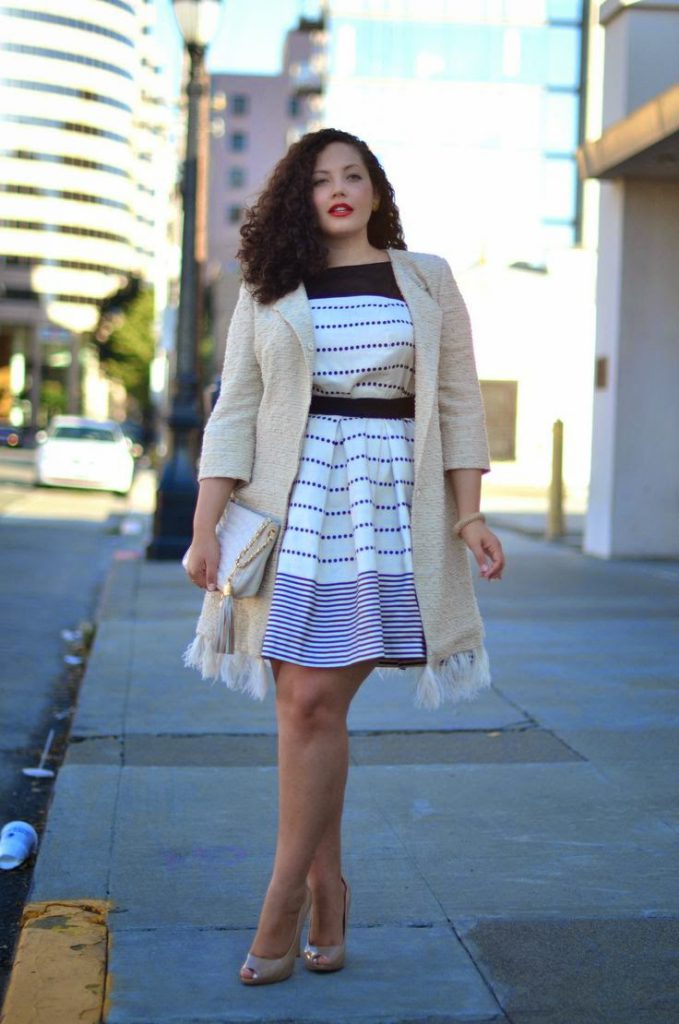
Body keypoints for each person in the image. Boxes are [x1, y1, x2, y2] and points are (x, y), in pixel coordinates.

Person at [184, 127, 505, 986]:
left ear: (374, 191)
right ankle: (328, 890)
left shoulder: (425, 278)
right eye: (320, 178)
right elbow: (235, 409)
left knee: (315, 700)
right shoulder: (269, 287)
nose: (337, 188)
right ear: (300, 197)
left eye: (352, 175)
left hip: (387, 507)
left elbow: (459, 403)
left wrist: (469, 515)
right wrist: (204, 527)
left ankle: (281, 899)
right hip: (291, 507)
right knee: (303, 710)